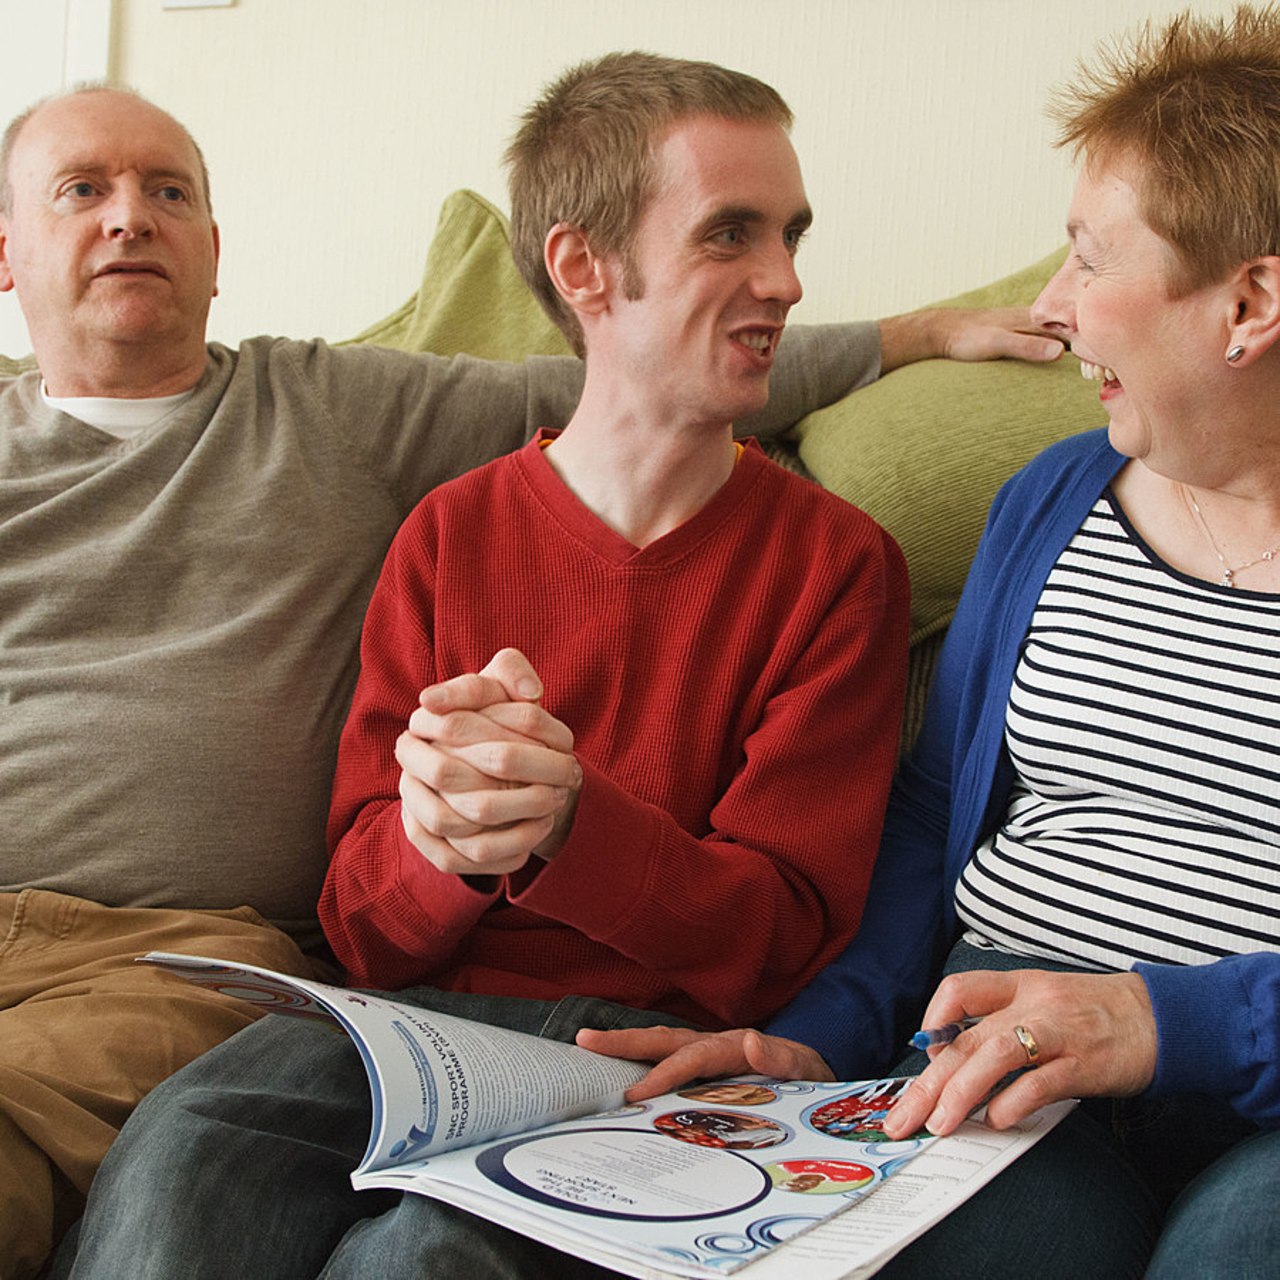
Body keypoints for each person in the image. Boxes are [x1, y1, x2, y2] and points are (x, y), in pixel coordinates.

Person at [0, 78, 1054, 1277]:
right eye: (731, 233)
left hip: (641, 1047)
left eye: (788, 235)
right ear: (584, 267)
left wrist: (570, 824)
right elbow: (358, 919)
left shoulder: (830, 564)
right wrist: (438, 845)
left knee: (416, 1258)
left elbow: (782, 940)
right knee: (183, 1152)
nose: (785, 279)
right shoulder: (447, 535)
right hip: (405, 1030)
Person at [580, 9, 1280, 1278]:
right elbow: (923, 812)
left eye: (1087, 259)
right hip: (996, 1058)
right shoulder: (1055, 497)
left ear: (1248, 302)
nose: (1053, 310)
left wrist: (1165, 1021)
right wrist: (824, 1029)